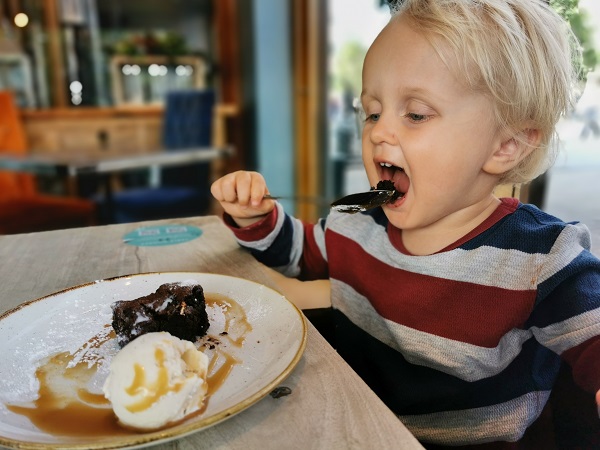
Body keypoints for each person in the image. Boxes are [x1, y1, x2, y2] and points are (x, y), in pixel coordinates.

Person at [211, 0, 600, 447]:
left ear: (506, 145)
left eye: (415, 114)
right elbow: (296, 252)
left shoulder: (541, 260)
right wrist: (259, 217)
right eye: (372, 112)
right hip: (356, 426)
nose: (378, 131)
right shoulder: (357, 225)